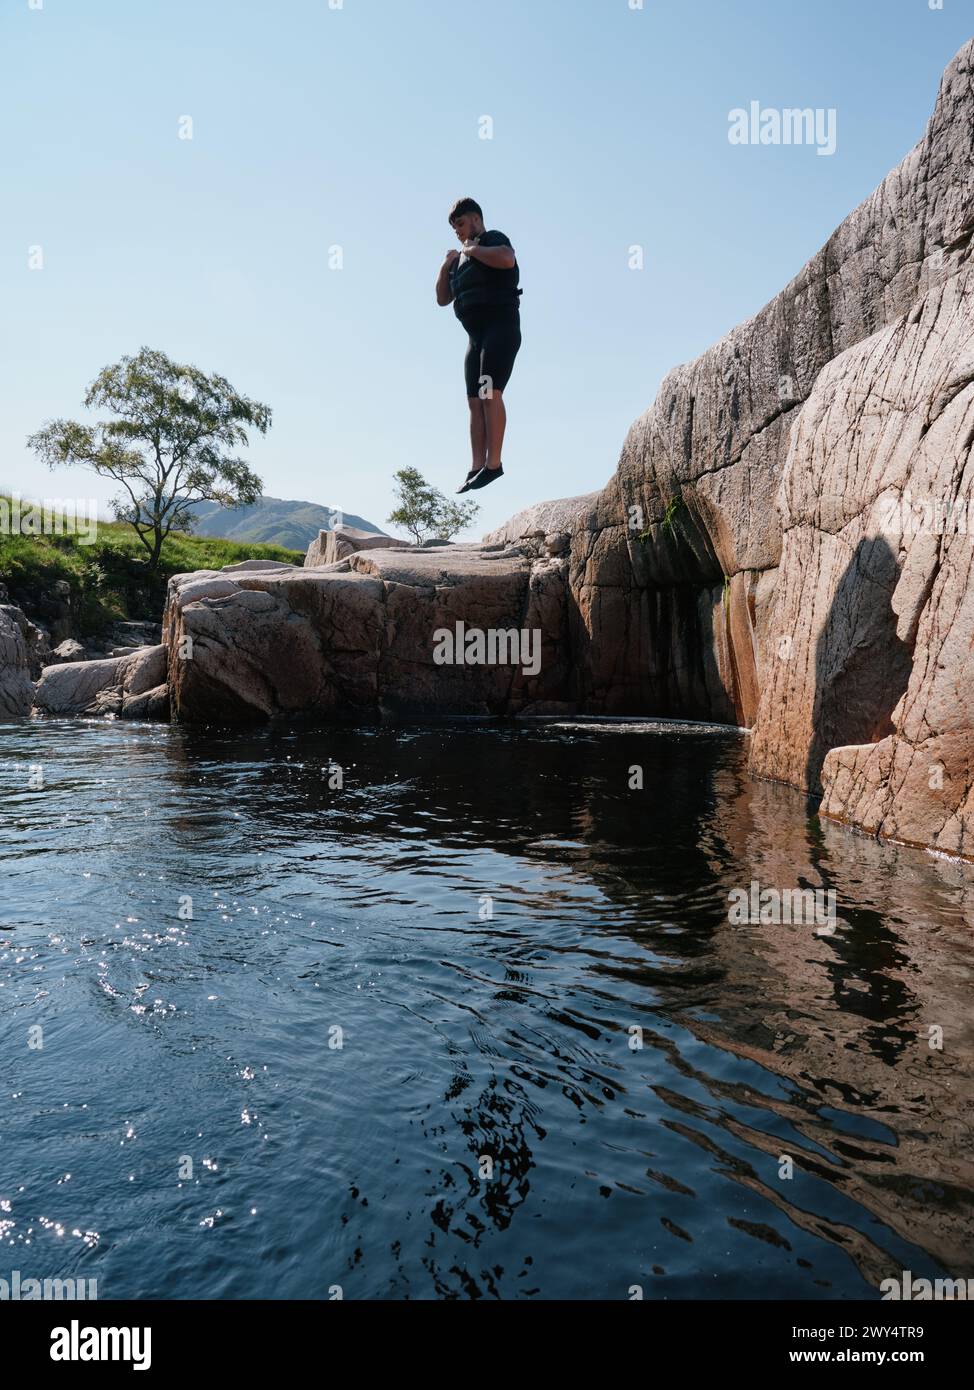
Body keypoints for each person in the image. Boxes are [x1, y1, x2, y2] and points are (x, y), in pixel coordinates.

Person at [435, 197, 522, 492]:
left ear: (474, 218)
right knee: (474, 401)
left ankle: (494, 464)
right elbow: (442, 299)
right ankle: (476, 466)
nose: (458, 232)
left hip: (501, 327)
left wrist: (473, 249)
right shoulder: (458, 260)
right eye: (454, 228)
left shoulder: (492, 239)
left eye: (460, 224)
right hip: (475, 337)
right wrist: (447, 264)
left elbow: (507, 259)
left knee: (489, 393)